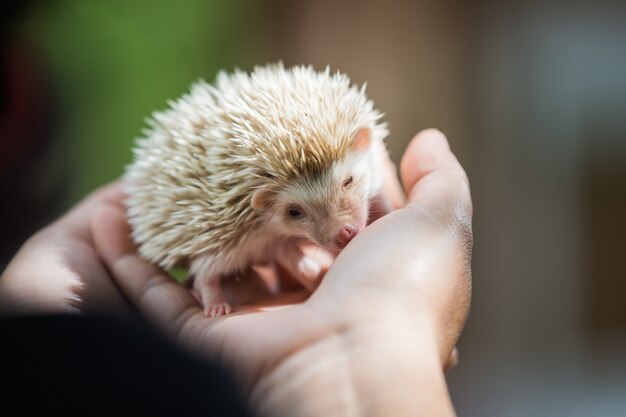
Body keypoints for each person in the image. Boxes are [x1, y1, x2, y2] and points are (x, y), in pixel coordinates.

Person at [0, 128, 472, 416]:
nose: (340, 229)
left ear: (361, 146)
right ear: (262, 205)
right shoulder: (235, 227)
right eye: (297, 214)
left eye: (348, 182)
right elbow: (214, 263)